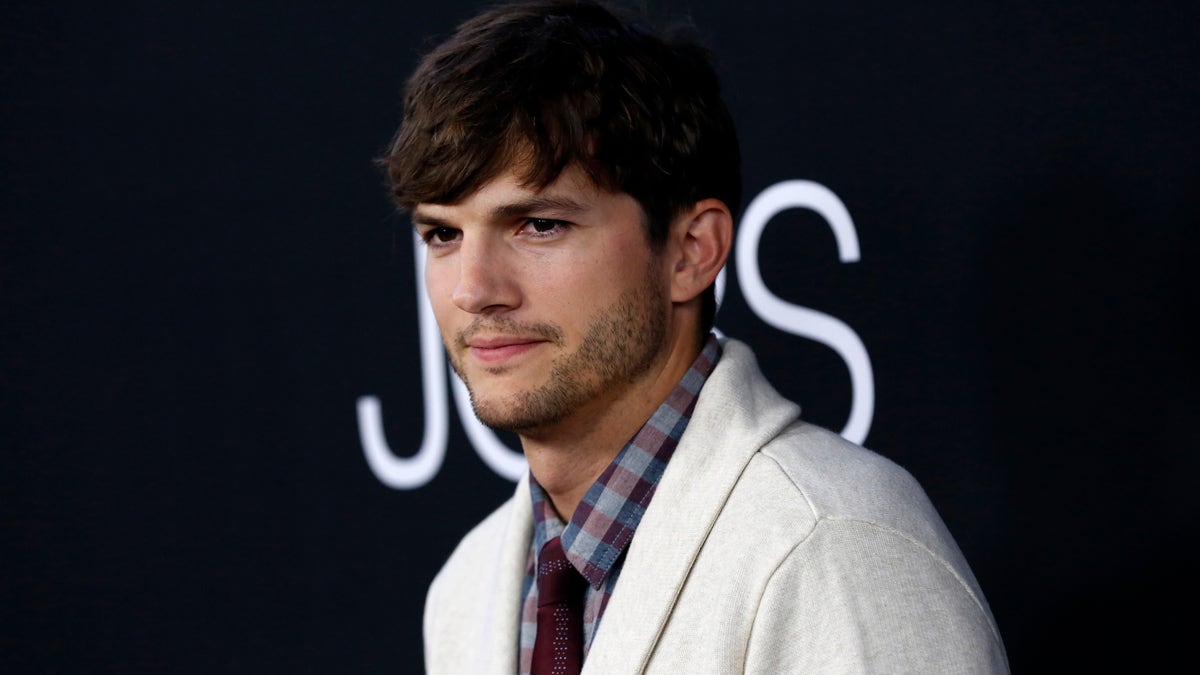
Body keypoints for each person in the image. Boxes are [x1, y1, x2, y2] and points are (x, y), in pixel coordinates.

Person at [381, 0, 1009, 672]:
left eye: (539, 224)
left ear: (689, 251)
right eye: (442, 234)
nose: (473, 289)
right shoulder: (467, 588)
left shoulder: (835, 543)